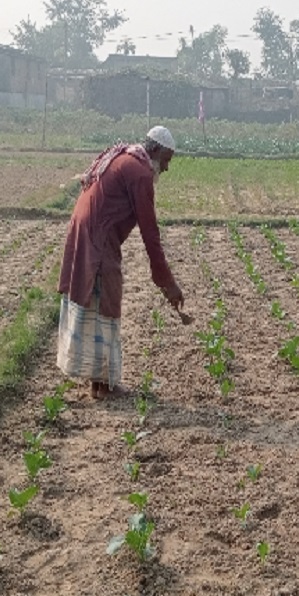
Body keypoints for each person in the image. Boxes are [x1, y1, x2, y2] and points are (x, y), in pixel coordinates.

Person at [57, 126, 185, 400]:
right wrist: (168, 283)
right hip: (98, 237)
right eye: (166, 160)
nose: (166, 168)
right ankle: (103, 384)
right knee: (106, 302)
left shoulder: (124, 158)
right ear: (156, 151)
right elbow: (150, 234)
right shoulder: (139, 173)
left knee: (97, 300)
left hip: (88, 231)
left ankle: (100, 381)